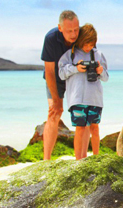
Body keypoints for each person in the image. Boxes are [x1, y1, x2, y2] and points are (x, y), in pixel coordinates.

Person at [58, 23, 109, 160]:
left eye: (91, 44)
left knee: (95, 128)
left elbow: (106, 78)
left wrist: (100, 71)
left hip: (95, 99)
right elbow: (61, 74)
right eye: (86, 44)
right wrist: (76, 68)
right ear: (81, 41)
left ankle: (97, 158)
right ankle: (79, 160)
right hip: (77, 98)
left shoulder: (98, 55)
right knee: (80, 128)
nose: (88, 47)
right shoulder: (70, 55)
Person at [41, 10, 80, 160]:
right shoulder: (50, 38)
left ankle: (80, 156)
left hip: (74, 77)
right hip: (55, 79)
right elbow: (49, 71)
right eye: (69, 31)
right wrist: (56, 100)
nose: (74, 34)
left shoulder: (82, 35)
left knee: (81, 113)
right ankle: (46, 160)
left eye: (76, 29)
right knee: (54, 112)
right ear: (60, 28)